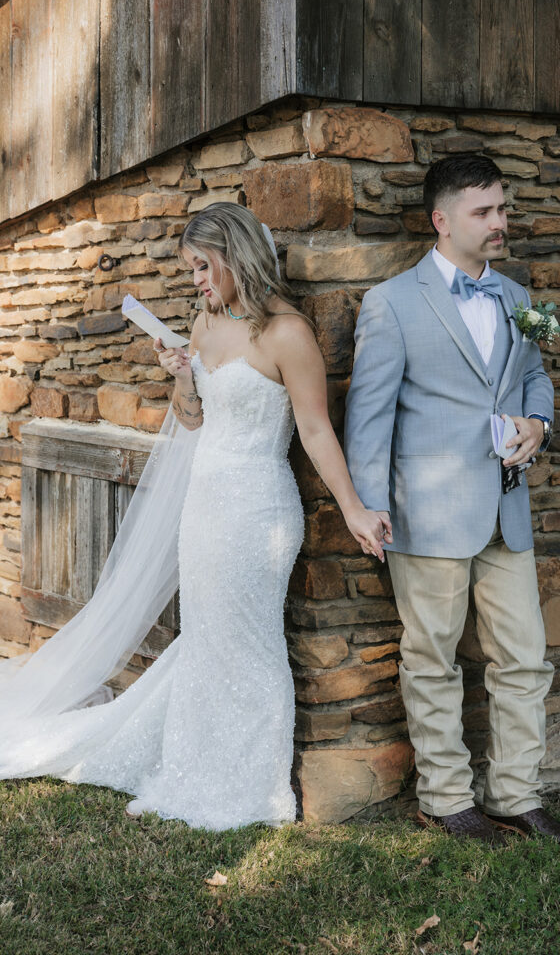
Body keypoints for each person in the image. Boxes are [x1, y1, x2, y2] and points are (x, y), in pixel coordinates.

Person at [0, 202, 390, 831]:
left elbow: (316, 431)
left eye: (204, 268)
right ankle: (194, 762)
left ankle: (251, 783)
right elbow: (191, 418)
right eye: (191, 271)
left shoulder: (287, 333)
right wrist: (182, 374)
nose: (198, 282)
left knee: (249, 642)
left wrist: (354, 511)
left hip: (258, 508)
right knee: (207, 637)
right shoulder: (205, 323)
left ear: (236, 256)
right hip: (204, 507)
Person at [344, 154, 560, 845]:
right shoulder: (392, 303)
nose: (500, 222)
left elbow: (532, 377)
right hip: (426, 513)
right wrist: (367, 503)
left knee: (525, 657)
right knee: (431, 659)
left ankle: (516, 794)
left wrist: (539, 421)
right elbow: (368, 414)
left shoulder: (515, 297)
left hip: (506, 508)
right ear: (441, 221)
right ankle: (444, 800)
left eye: (501, 208)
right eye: (484, 212)